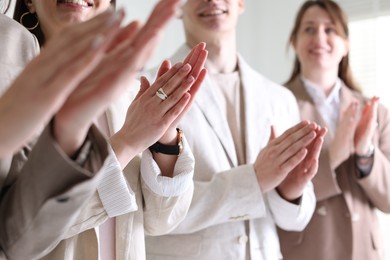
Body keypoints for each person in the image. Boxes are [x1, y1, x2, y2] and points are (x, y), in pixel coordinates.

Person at [14, 0, 208, 259]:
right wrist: (126, 143)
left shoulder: (128, 86)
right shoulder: (9, 91)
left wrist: (164, 138)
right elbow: (17, 230)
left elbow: (161, 221)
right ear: (29, 2)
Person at [144, 0, 327, 259]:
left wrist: (290, 191)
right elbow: (151, 212)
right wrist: (253, 180)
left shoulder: (280, 98)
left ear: (241, 3)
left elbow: (294, 221)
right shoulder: (148, 91)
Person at [0, 4, 130, 260]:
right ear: (29, 3)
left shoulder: (13, 41)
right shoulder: (21, 55)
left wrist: (168, 144)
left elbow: (17, 235)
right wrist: (125, 146)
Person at [277, 1, 390, 260]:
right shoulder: (276, 104)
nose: (320, 37)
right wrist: (333, 158)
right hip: (308, 250)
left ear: (346, 43)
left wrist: (366, 154)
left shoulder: (375, 111)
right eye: (309, 29)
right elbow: (273, 195)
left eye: (330, 30)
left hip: (364, 251)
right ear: (293, 41)